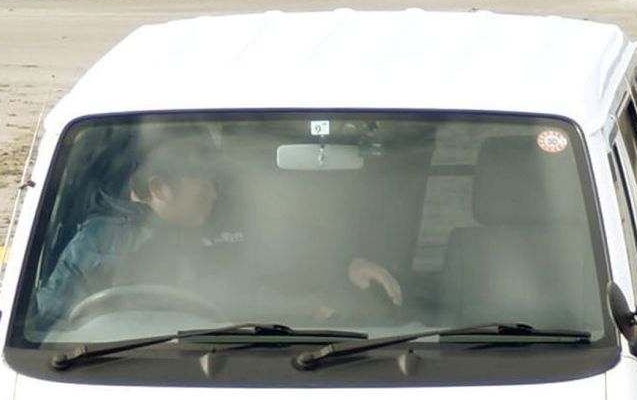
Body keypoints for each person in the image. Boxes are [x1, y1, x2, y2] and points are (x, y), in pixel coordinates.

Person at [33, 132, 402, 329]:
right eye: (203, 185)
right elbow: (49, 318)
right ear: (159, 189)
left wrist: (346, 264)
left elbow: (280, 246)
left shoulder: (209, 222)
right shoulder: (97, 244)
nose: (214, 194)